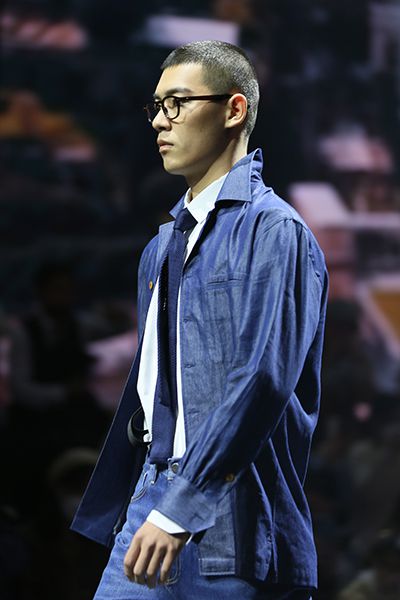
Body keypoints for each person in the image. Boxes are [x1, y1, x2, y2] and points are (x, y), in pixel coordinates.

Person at [71, 40, 328, 599]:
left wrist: (180, 508)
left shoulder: (274, 232)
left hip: (236, 515)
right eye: (156, 106)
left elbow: (261, 379)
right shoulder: (160, 248)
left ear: (233, 110)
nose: (159, 121)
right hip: (152, 499)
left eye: (178, 103)